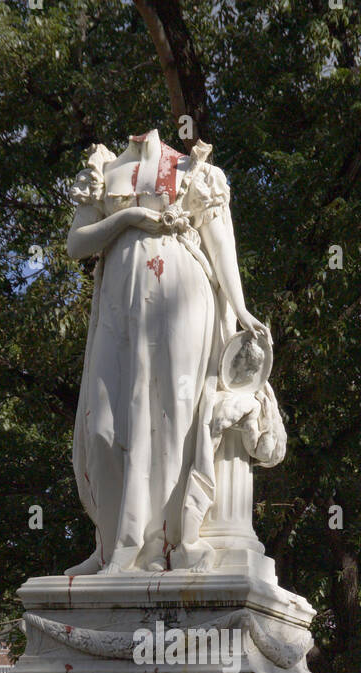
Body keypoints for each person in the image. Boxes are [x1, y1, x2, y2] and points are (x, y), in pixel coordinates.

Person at [66, 128, 273, 576]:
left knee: (169, 420)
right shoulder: (105, 168)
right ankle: (113, 542)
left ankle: (157, 544)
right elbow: (77, 244)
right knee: (103, 426)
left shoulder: (196, 169)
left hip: (182, 302)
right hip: (118, 308)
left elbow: (222, 246)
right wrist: (128, 219)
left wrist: (240, 308)